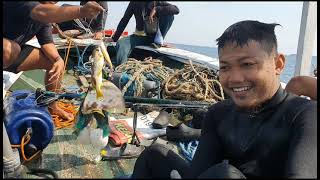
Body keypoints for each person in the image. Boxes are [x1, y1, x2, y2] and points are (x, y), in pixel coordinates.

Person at [130, 20, 317, 178]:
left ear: (278, 64)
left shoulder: (305, 115)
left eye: (247, 64)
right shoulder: (219, 113)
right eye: (225, 67)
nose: (234, 78)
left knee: (225, 174)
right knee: (154, 155)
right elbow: (198, 174)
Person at [3, 1, 105, 120]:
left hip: (12, 55)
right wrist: (81, 11)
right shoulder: (28, 4)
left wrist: (58, 59)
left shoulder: (44, 18)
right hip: (8, 50)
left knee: (54, 63)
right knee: (10, 49)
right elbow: (42, 12)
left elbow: (46, 42)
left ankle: (52, 106)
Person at [108, 1, 179, 66]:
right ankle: (121, 69)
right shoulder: (134, 3)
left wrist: (157, 9)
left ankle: (158, 41)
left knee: (170, 14)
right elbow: (125, 20)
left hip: (155, 39)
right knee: (122, 43)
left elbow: (176, 9)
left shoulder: (158, 2)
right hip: (140, 36)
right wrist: (115, 38)